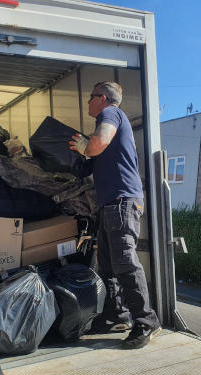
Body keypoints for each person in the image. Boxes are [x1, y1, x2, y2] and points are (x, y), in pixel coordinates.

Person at [69, 81, 161, 349]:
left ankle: (146, 321)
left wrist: (86, 145)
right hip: (111, 204)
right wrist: (80, 151)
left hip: (123, 202)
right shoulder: (105, 121)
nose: (88, 101)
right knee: (108, 266)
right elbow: (89, 163)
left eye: (91, 96)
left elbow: (98, 143)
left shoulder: (111, 115)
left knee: (125, 262)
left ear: (104, 99)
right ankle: (117, 316)